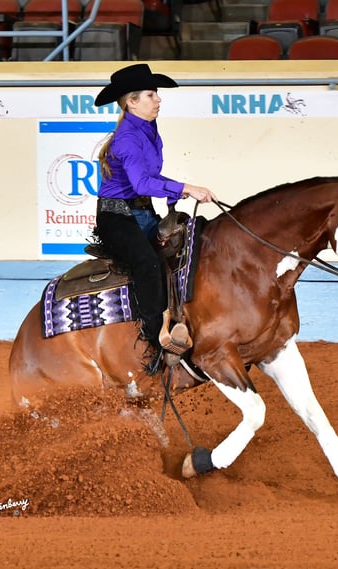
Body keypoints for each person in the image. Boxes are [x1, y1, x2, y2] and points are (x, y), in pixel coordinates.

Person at [92, 63, 217, 373]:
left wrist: (175, 193)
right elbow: (140, 184)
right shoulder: (127, 139)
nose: (158, 99)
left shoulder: (146, 129)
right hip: (117, 218)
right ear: (131, 101)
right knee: (148, 264)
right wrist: (185, 187)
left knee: (186, 247)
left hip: (141, 213)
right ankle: (153, 345)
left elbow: (150, 177)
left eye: (156, 93)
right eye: (150, 94)